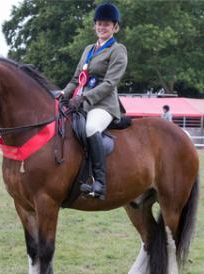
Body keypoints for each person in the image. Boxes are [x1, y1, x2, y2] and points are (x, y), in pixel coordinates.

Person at [62, 3, 127, 199]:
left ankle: (99, 182)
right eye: (99, 24)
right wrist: (62, 95)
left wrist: (85, 97)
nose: (102, 27)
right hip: (81, 102)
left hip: (104, 105)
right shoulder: (88, 49)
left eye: (106, 24)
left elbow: (110, 83)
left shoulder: (118, 50)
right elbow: (76, 79)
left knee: (91, 128)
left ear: (114, 27)